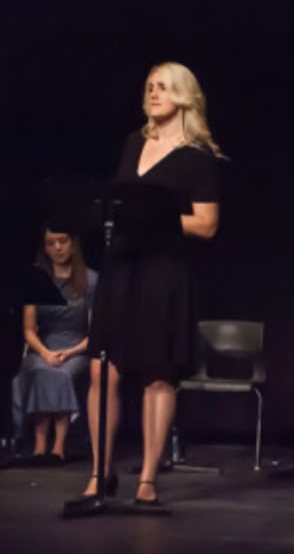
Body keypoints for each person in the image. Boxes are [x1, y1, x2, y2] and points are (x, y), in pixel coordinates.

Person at [84, 62, 223, 505]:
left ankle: (147, 479)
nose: (153, 94)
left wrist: (158, 219)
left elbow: (206, 224)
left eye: (162, 87)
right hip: (121, 266)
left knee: (157, 373)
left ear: (184, 96)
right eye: (149, 87)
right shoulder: (134, 142)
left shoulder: (199, 157)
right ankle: (98, 473)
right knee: (101, 368)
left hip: (163, 273)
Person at [11, 228, 97, 464]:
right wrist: (46, 352)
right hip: (44, 346)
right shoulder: (36, 279)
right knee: (40, 370)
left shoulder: (89, 280)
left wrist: (68, 352)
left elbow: (94, 332)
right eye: (51, 243)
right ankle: (39, 445)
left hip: (77, 347)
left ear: (73, 244)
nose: (57, 248)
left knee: (62, 374)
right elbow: (28, 329)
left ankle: (59, 445)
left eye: (62, 241)